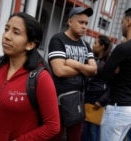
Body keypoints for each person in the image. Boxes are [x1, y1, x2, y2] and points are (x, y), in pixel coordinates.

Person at [0, 12, 60, 141]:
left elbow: (53, 126)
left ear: (30, 44)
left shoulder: (41, 78)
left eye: (16, 32)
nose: (6, 36)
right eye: (6, 29)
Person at [97, 7, 131, 141]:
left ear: (129, 22)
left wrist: (113, 72)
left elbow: (103, 75)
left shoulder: (124, 48)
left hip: (118, 109)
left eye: (122, 22)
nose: (121, 26)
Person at [48, 7, 97, 141]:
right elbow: (59, 71)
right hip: (58, 99)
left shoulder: (86, 45)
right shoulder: (58, 40)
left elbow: (93, 70)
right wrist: (84, 69)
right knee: (55, 136)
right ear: (70, 22)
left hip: (78, 100)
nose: (84, 26)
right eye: (81, 22)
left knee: (74, 137)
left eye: (86, 23)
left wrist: (74, 64)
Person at [81, 35, 112, 141]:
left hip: (98, 102)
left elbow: (112, 85)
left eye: (95, 43)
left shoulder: (109, 63)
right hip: (87, 100)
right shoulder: (91, 59)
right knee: (84, 132)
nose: (93, 45)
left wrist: (101, 101)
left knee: (94, 132)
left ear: (102, 46)